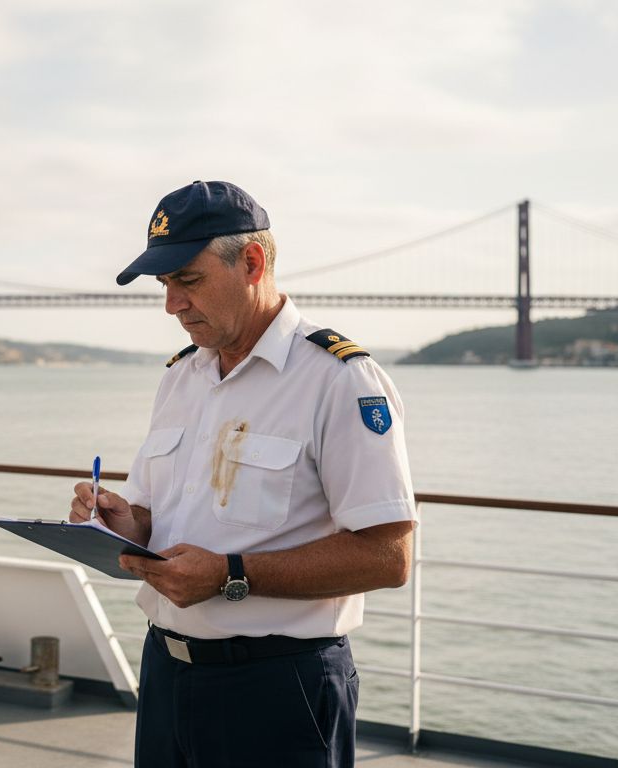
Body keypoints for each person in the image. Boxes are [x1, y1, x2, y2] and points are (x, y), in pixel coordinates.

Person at [70, 180, 415, 768]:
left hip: (279, 689)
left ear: (252, 262)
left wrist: (230, 575)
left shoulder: (339, 379)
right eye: (165, 284)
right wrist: (127, 523)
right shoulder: (181, 375)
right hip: (165, 673)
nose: (171, 304)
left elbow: (388, 557)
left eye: (188, 280)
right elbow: (162, 516)